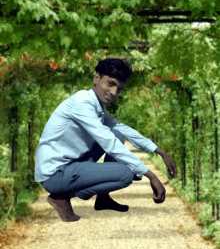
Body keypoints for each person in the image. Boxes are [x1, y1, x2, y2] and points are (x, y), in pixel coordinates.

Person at [34, 58, 177, 222]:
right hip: (55, 174)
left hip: (72, 163)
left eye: (119, 88)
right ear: (96, 78)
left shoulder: (96, 106)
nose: (114, 92)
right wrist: (151, 175)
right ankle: (61, 196)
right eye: (110, 83)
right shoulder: (82, 104)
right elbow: (109, 143)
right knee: (126, 174)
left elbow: (123, 129)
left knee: (117, 133)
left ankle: (103, 198)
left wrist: (160, 152)